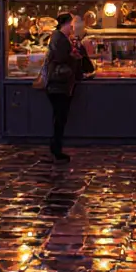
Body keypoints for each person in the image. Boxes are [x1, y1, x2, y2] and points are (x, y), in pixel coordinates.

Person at [44, 12, 91, 162]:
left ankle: (55, 146)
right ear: (65, 24)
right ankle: (57, 149)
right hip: (59, 83)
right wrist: (74, 56)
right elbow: (61, 58)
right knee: (60, 118)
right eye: (70, 25)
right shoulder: (60, 39)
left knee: (59, 117)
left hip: (58, 84)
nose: (72, 28)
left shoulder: (60, 38)